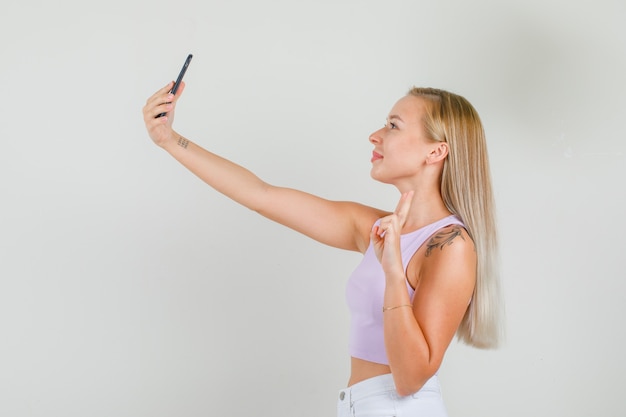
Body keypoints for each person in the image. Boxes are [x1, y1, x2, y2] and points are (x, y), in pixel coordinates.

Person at [143, 81, 503, 417]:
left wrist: (393, 271)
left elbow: (410, 379)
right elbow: (261, 196)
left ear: (436, 151)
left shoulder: (451, 246)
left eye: (393, 126)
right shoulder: (377, 229)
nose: (375, 135)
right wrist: (170, 139)